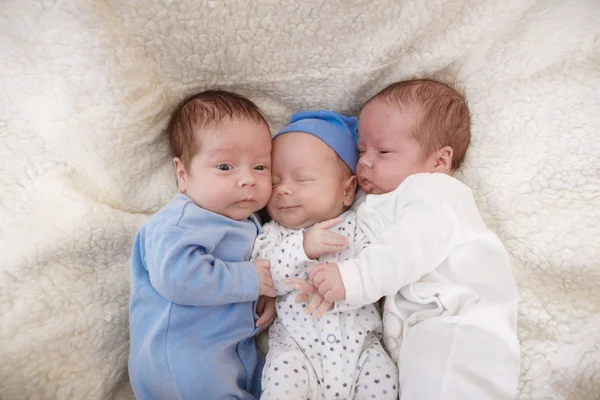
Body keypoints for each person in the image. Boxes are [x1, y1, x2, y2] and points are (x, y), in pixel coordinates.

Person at [308, 80, 521, 399]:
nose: (365, 161)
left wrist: (355, 278)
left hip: (460, 325)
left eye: (383, 151)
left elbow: (408, 247)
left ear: (439, 161)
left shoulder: (435, 193)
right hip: (423, 331)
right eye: (362, 149)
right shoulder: (386, 201)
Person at [128, 89, 277, 400]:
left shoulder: (252, 221)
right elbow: (177, 277)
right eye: (225, 167)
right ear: (183, 174)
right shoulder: (180, 221)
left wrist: (267, 294)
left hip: (236, 353)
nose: (248, 179)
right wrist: (249, 280)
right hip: (185, 358)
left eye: (260, 167)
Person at [253, 110, 398, 400]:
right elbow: (268, 280)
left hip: (361, 352)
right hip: (297, 353)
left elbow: (380, 273)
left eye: (302, 179)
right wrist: (302, 247)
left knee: (383, 379)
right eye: (274, 182)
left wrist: (349, 282)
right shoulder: (273, 235)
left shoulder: (360, 228)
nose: (283, 190)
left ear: (347, 191)